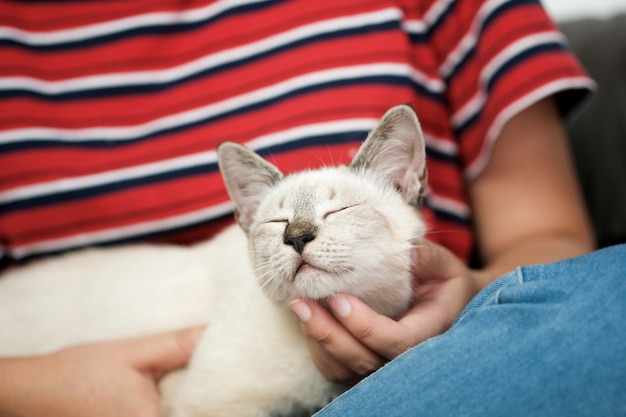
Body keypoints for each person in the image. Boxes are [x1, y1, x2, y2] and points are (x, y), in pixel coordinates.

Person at [0, 1, 623, 416]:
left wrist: (475, 295)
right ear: (245, 217)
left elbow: (552, 249)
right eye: (272, 223)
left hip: (433, 370)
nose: (298, 236)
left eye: (334, 216)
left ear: (406, 180)